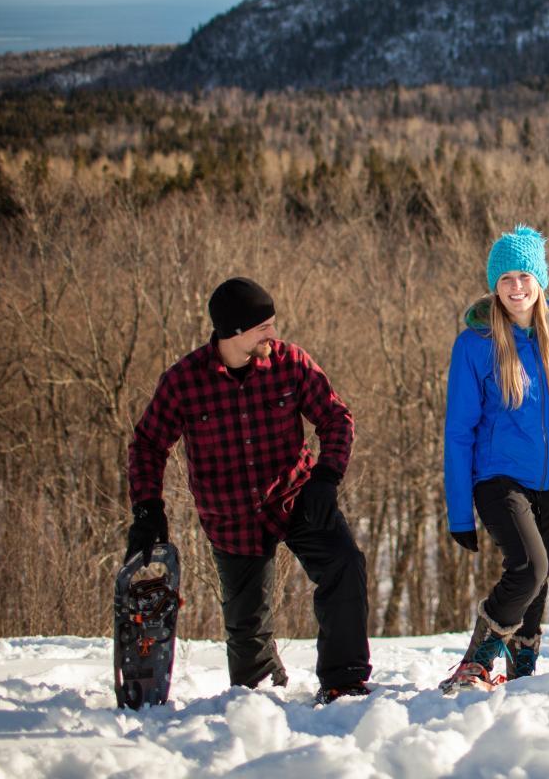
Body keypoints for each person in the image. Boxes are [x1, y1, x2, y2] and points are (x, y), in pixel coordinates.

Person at [125, 277, 371, 705]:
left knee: (345, 565)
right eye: (264, 327)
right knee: (246, 632)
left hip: (296, 497)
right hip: (231, 516)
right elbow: (148, 444)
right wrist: (148, 508)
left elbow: (336, 418)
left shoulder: (290, 363)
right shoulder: (184, 382)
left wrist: (327, 477)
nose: (273, 335)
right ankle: (265, 688)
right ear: (234, 333)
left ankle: (343, 680)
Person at [442, 225, 549, 690]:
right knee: (530, 568)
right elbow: (458, 431)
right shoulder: (474, 343)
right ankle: (477, 659)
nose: (516, 287)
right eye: (506, 278)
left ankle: (523, 672)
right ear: (494, 284)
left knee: (539, 579)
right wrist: (459, 512)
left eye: (524, 276)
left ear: (540, 280)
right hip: (499, 479)